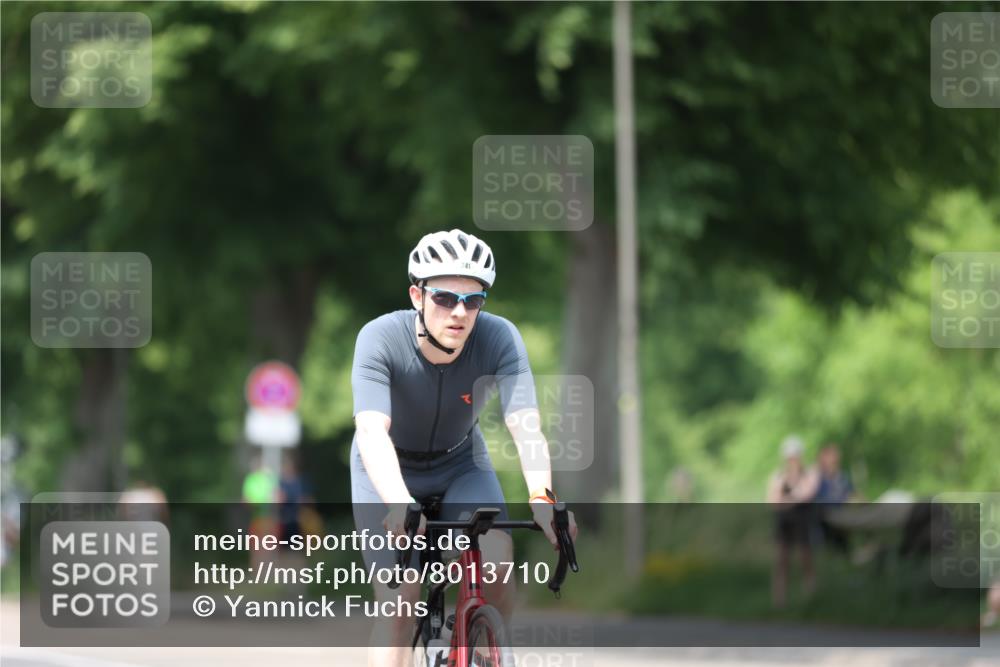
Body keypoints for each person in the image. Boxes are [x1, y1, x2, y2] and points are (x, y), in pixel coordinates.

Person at [350, 229, 578, 667]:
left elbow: (526, 426)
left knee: (494, 561)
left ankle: (487, 648)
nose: (459, 313)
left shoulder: (500, 338)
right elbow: (373, 431)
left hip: (460, 464)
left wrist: (542, 499)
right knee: (401, 601)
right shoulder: (379, 338)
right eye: (443, 298)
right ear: (416, 295)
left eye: (473, 301)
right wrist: (399, 503)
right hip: (385, 467)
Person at [767, 435, 820, 608]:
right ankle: (779, 601)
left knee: (806, 557)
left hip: (802, 520)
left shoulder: (809, 472)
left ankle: (811, 597)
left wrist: (787, 498)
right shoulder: (779, 475)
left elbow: (807, 494)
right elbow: (772, 500)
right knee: (782, 559)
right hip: (784, 521)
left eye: (795, 456)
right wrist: (791, 496)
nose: (792, 460)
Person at [813, 443, 856, 553]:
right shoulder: (816, 476)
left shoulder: (843, 477)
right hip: (823, 513)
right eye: (831, 457)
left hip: (842, 512)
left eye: (835, 458)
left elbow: (852, 493)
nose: (834, 461)